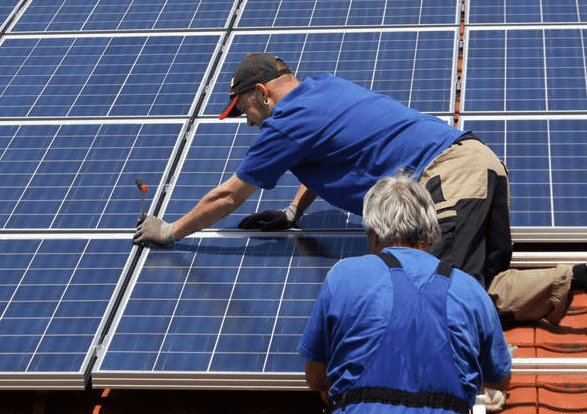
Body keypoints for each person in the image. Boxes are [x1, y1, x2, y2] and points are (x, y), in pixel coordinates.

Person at [134, 52, 587, 325]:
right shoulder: (325, 90)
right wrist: (294, 213)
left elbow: (227, 197)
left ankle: (465, 388)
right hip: (476, 167)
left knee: (443, 298)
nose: (245, 121)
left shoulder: (285, 122)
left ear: (264, 94)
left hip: (448, 179)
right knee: (478, 290)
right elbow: (336, 152)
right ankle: (576, 280)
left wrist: (170, 231)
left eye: (243, 110)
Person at [299, 170, 511, 413]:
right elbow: (499, 379)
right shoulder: (470, 290)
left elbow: (315, 378)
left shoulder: (343, 276)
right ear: (429, 233)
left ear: (376, 234)